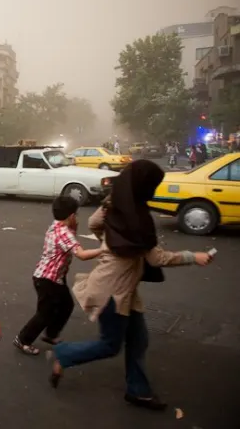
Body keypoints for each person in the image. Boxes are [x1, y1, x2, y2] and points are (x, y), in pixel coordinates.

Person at [49, 160, 214, 410]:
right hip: (112, 292)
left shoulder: (113, 203)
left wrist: (109, 242)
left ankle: (138, 391)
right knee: (110, 345)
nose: (155, 190)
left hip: (124, 290)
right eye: (153, 185)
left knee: (139, 340)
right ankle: (64, 355)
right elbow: (157, 258)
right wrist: (194, 256)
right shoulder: (138, 219)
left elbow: (94, 224)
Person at [13, 196, 103, 356]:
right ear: (71, 216)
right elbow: (81, 254)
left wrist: (74, 226)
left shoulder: (57, 226)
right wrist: (104, 250)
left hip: (53, 278)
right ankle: (23, 339)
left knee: (66, 305)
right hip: (47, 280)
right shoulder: (63, 233)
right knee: (45, 313)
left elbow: (70, 239)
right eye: (76, 214)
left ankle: (51, 334)